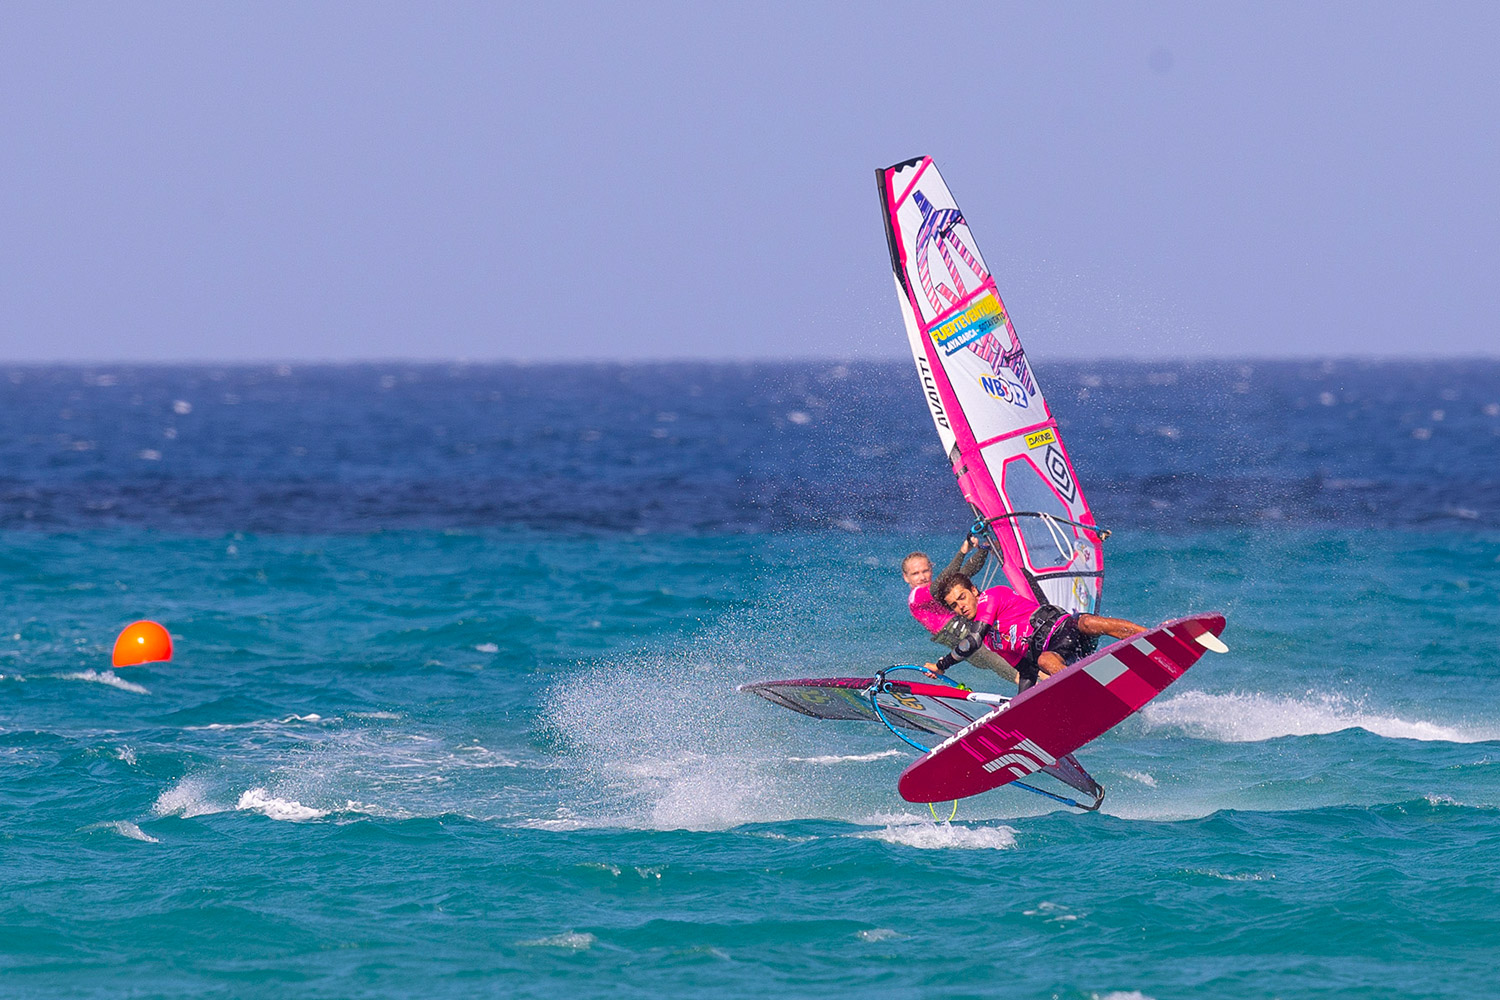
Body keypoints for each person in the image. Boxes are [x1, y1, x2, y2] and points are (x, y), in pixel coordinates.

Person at [922, 570, 1148, 692]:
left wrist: (942, 665)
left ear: (973, 591)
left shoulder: (991, 597)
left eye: (962, 597)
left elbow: (972, 642)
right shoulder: (993, 641)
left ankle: (1151, 635)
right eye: (954, 605)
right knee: (1044, 661)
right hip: (1059, 655)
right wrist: (1022, 707)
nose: (960, 606)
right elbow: (1026, 671)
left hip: (1066, 629)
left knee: (1088, 622)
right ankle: (1088, 693)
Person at [901, 537, 990, 633]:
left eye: (925, 571)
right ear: (906, 577)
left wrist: (984, 548)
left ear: (931, 570)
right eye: (915, 574)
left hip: (965, 624)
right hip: (956, 632)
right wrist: (962, 552)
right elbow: (939, 584)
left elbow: (964, 573)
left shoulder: (940, 588)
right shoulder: (916, 596)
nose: (922, 577)